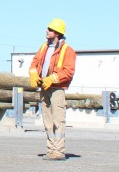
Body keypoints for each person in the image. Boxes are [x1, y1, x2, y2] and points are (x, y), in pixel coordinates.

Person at [29, 18, 76, 161]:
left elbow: (69, 71)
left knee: (58, 121)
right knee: (47, 121)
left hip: (56, 89)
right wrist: (33, 74)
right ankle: (51, 150)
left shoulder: (67, 50)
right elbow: (35, 62)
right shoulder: (44, 47)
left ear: (57, 33)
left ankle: (58, 151)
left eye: (49, 29)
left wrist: (52, 79)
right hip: (44, 88)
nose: (46, 31)